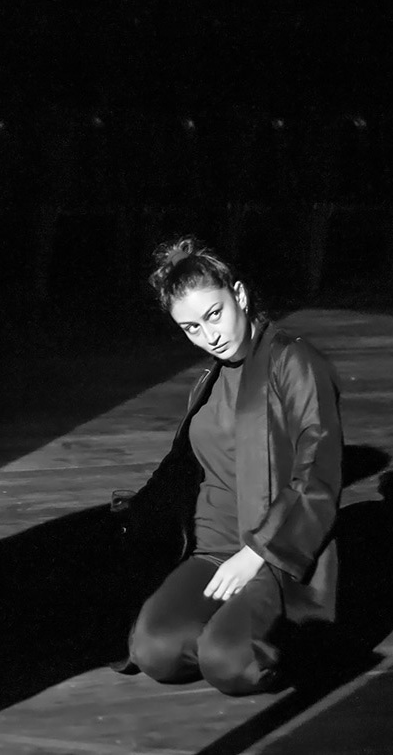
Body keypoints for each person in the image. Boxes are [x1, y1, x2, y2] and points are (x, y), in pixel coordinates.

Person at [112, 236, 342, 696]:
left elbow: (317, 470)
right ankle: (224, 633)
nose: (209, 335)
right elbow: (183, 468)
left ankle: (250, 638)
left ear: (238, 294)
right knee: (153, 649)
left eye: (214, 314)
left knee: (228, 661)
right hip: (212, 551)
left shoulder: (293, 361)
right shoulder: (208, 380)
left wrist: (255, 554)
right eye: (191, 328)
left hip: (273, 556)